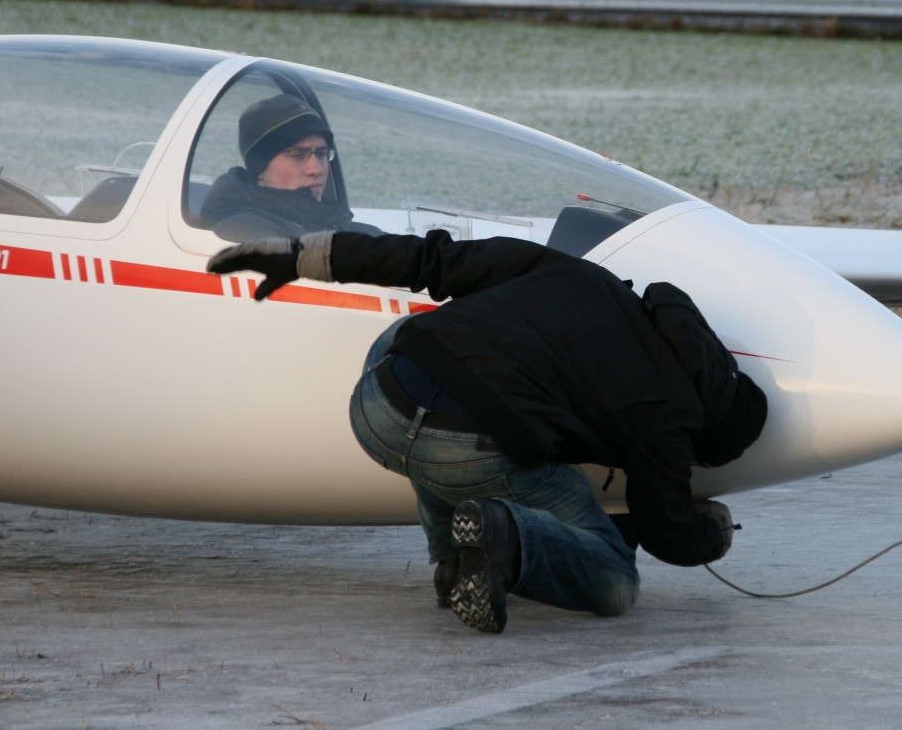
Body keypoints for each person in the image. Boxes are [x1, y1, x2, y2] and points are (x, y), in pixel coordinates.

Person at [207, 228, 769, 634]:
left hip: (377, 399)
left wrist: (304, 255)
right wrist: (712, 534)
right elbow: (666, 531)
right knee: (617, 580)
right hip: (458, 444)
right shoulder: (669, 415)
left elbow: (434, 260)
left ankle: (454, 562)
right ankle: (502, 538)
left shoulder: (582, 277)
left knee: (441, 350)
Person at [200, 93, 379, 239]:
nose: (316, 169)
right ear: (259, 167)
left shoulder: (328, 220)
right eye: (297, 155)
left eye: (321, 154)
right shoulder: (241, 229)